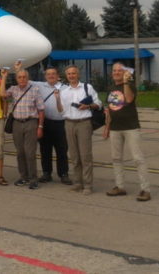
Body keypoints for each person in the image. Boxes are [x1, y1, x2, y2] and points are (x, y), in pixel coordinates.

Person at [104, 63, 151, 201]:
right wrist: (107, 127)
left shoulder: (129, 86)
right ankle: (120, 186)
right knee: (116, 158)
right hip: (115, 128)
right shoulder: (110, 88)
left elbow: (129, 99)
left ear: (124, 73)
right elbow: (110, 109)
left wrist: (126, 81)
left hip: (131, 127)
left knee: (138, 158)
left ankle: (145, 189)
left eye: (119, 70)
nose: (116, 72)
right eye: (114, 70)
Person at [57, 65, 101, 195]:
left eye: (73, 73)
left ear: (78, 74)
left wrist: (88, 105)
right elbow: (61, 110)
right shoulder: (64, 91)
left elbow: (98, 104)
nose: (71, 76)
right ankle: (77, 183)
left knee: (85, 156)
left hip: (84, 123)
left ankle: (88, 185)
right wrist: (57, 99)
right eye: (69, 74)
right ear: (67, 76)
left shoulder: (87, 88)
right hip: (69, 123)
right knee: (74, 156)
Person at [0, 66, 45, 190]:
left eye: (24, 77)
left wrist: (40, 126)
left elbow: (41, 110)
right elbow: (2, 94)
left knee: (30, 153)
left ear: (28, 78)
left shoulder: (34, 90)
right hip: (17, 124)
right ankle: (23, 176)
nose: (22, 79)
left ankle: (33, 178)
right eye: (19, 77)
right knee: (20, 152)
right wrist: (4, 77)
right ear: (16, 79)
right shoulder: (13, 89)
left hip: (31, 123)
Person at [28, 66, 71, 184]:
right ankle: (47, 173)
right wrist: (18, 68)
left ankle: (63, 174)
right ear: (45, 76)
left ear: (58, 76)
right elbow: (25, 80)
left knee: (62, 150)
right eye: (48, 74)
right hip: (45, 122)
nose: (51, 76)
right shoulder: (40, 85)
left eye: (53, 74)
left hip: (61, 123)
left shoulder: (66, 88)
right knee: (45, 149)